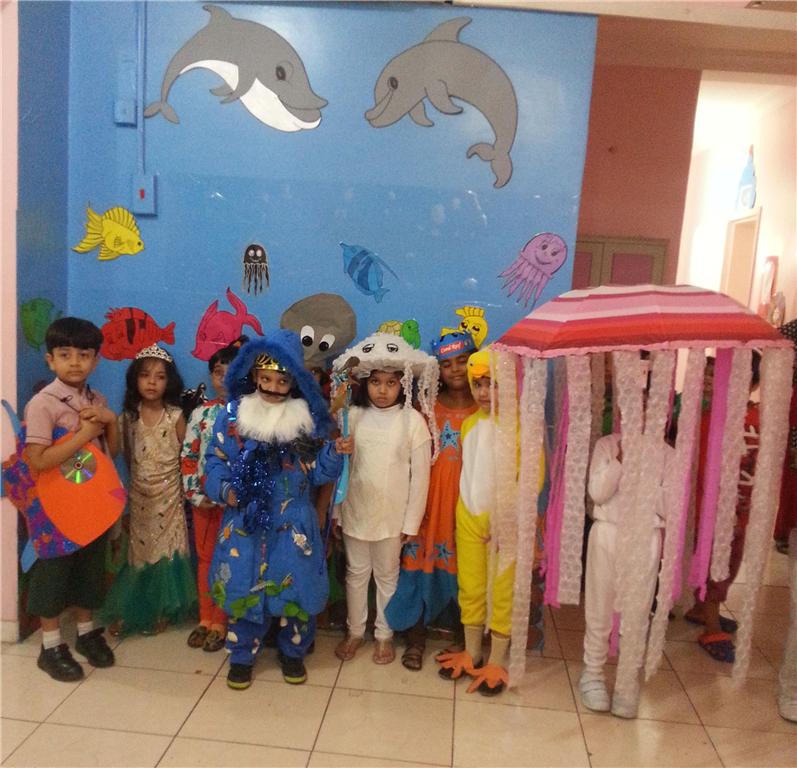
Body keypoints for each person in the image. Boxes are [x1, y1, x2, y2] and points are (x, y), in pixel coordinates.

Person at [203, 330, 352, 689]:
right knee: (244, 588)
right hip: (245, 522)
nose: (272, 387)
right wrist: (226, 491)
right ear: (254, 376)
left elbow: (318, 472)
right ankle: (242, 656)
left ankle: (293, 652)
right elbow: (215, 461)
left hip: (293, 522)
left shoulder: (307, 423)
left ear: (294, 382)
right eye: (266, 379)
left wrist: (334, 452)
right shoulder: (232, 418)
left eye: (282, 381)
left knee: (295, 590)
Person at [23, 317, 120, 681]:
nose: (75, 362)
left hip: (91, 503)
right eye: (65, 354)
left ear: (96, 360)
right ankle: (50, 646)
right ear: (51, 360)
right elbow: (37, 460)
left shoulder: (97, 400)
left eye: (84, 354)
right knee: (53, 572)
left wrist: (109, 420)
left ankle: (85, 633)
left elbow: (111, 452)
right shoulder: (42, 404)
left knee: (88, 569)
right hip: (55, 507)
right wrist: (83, 434)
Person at [332, 334, 433, 665]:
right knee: (356, 574)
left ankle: (384, 635)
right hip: (356, 510)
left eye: (391, 383)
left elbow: (421, 477)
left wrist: (411, 522)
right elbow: (341, 469)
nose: (383, 390)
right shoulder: (352, 416)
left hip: (392, 517)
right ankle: (355, 631)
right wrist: (336, 513)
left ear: (403, 384)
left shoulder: (412, 421)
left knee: (388, 576)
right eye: (376, 382)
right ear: (365, 382)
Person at [578, 371, 673, 718]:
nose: (639, 414)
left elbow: (670, 506)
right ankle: (592, 673)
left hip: (645, 538)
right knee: (599, 608)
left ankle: (627, 680)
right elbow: (597, 493)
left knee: (637, 611)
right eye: (632, 407)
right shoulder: (607, 445)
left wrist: (645, 473)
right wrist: (620, 461)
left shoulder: (668, 455)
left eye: (647, 407)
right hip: (607, 534)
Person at [385, 331, 477, 671]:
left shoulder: (485, 409)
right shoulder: (425, 410)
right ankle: (415, 637)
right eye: (446, 364)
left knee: (468, 571)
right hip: (428, 505)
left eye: (462, 361)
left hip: (467, 506)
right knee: (417, 566)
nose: (455, 370)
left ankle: (466, 638)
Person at [436, 346, 517, 696]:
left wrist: (505, 520)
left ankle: (496, 659)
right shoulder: (469, 424)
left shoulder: (519, 428)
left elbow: (532, 479)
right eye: (478, 384)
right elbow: (468, 474)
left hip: (504, 525)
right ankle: (473, 652)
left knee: (502, 591)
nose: (483, 393)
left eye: (492, 384)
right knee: (470, 587)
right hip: (468, 519)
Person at [102, 345, 196, 635]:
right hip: (140, 495)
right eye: (145, 375)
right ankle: (135, 607)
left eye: (160, 376)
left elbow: (187, 457)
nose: (152, 382)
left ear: (169, 381)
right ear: (135, 379)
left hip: (169, 496)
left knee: (166, 551)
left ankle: (163, 609)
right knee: (140, 551)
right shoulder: (129, 418)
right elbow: (129, 456)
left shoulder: (175, 416)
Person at [685, 352, 761, 662]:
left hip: (741, 510)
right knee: (715, 566)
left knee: (731, 564)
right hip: (714, 514)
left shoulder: (759, 418)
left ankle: (701, 609)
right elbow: (703, 472)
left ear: (753, 384)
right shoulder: (709, 420)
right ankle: (711, 625)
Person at [181, 338, 245, 652]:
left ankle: (224, 621)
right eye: (219, 373)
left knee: (231, 561)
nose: (225, 380)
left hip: (236, 505)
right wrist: (196, 495)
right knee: (206, 559)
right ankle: (206, 618)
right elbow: (188, 456)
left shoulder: (250, 415)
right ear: (211, 376)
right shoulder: (200, 414)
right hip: (205, 502)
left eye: (233, 373)